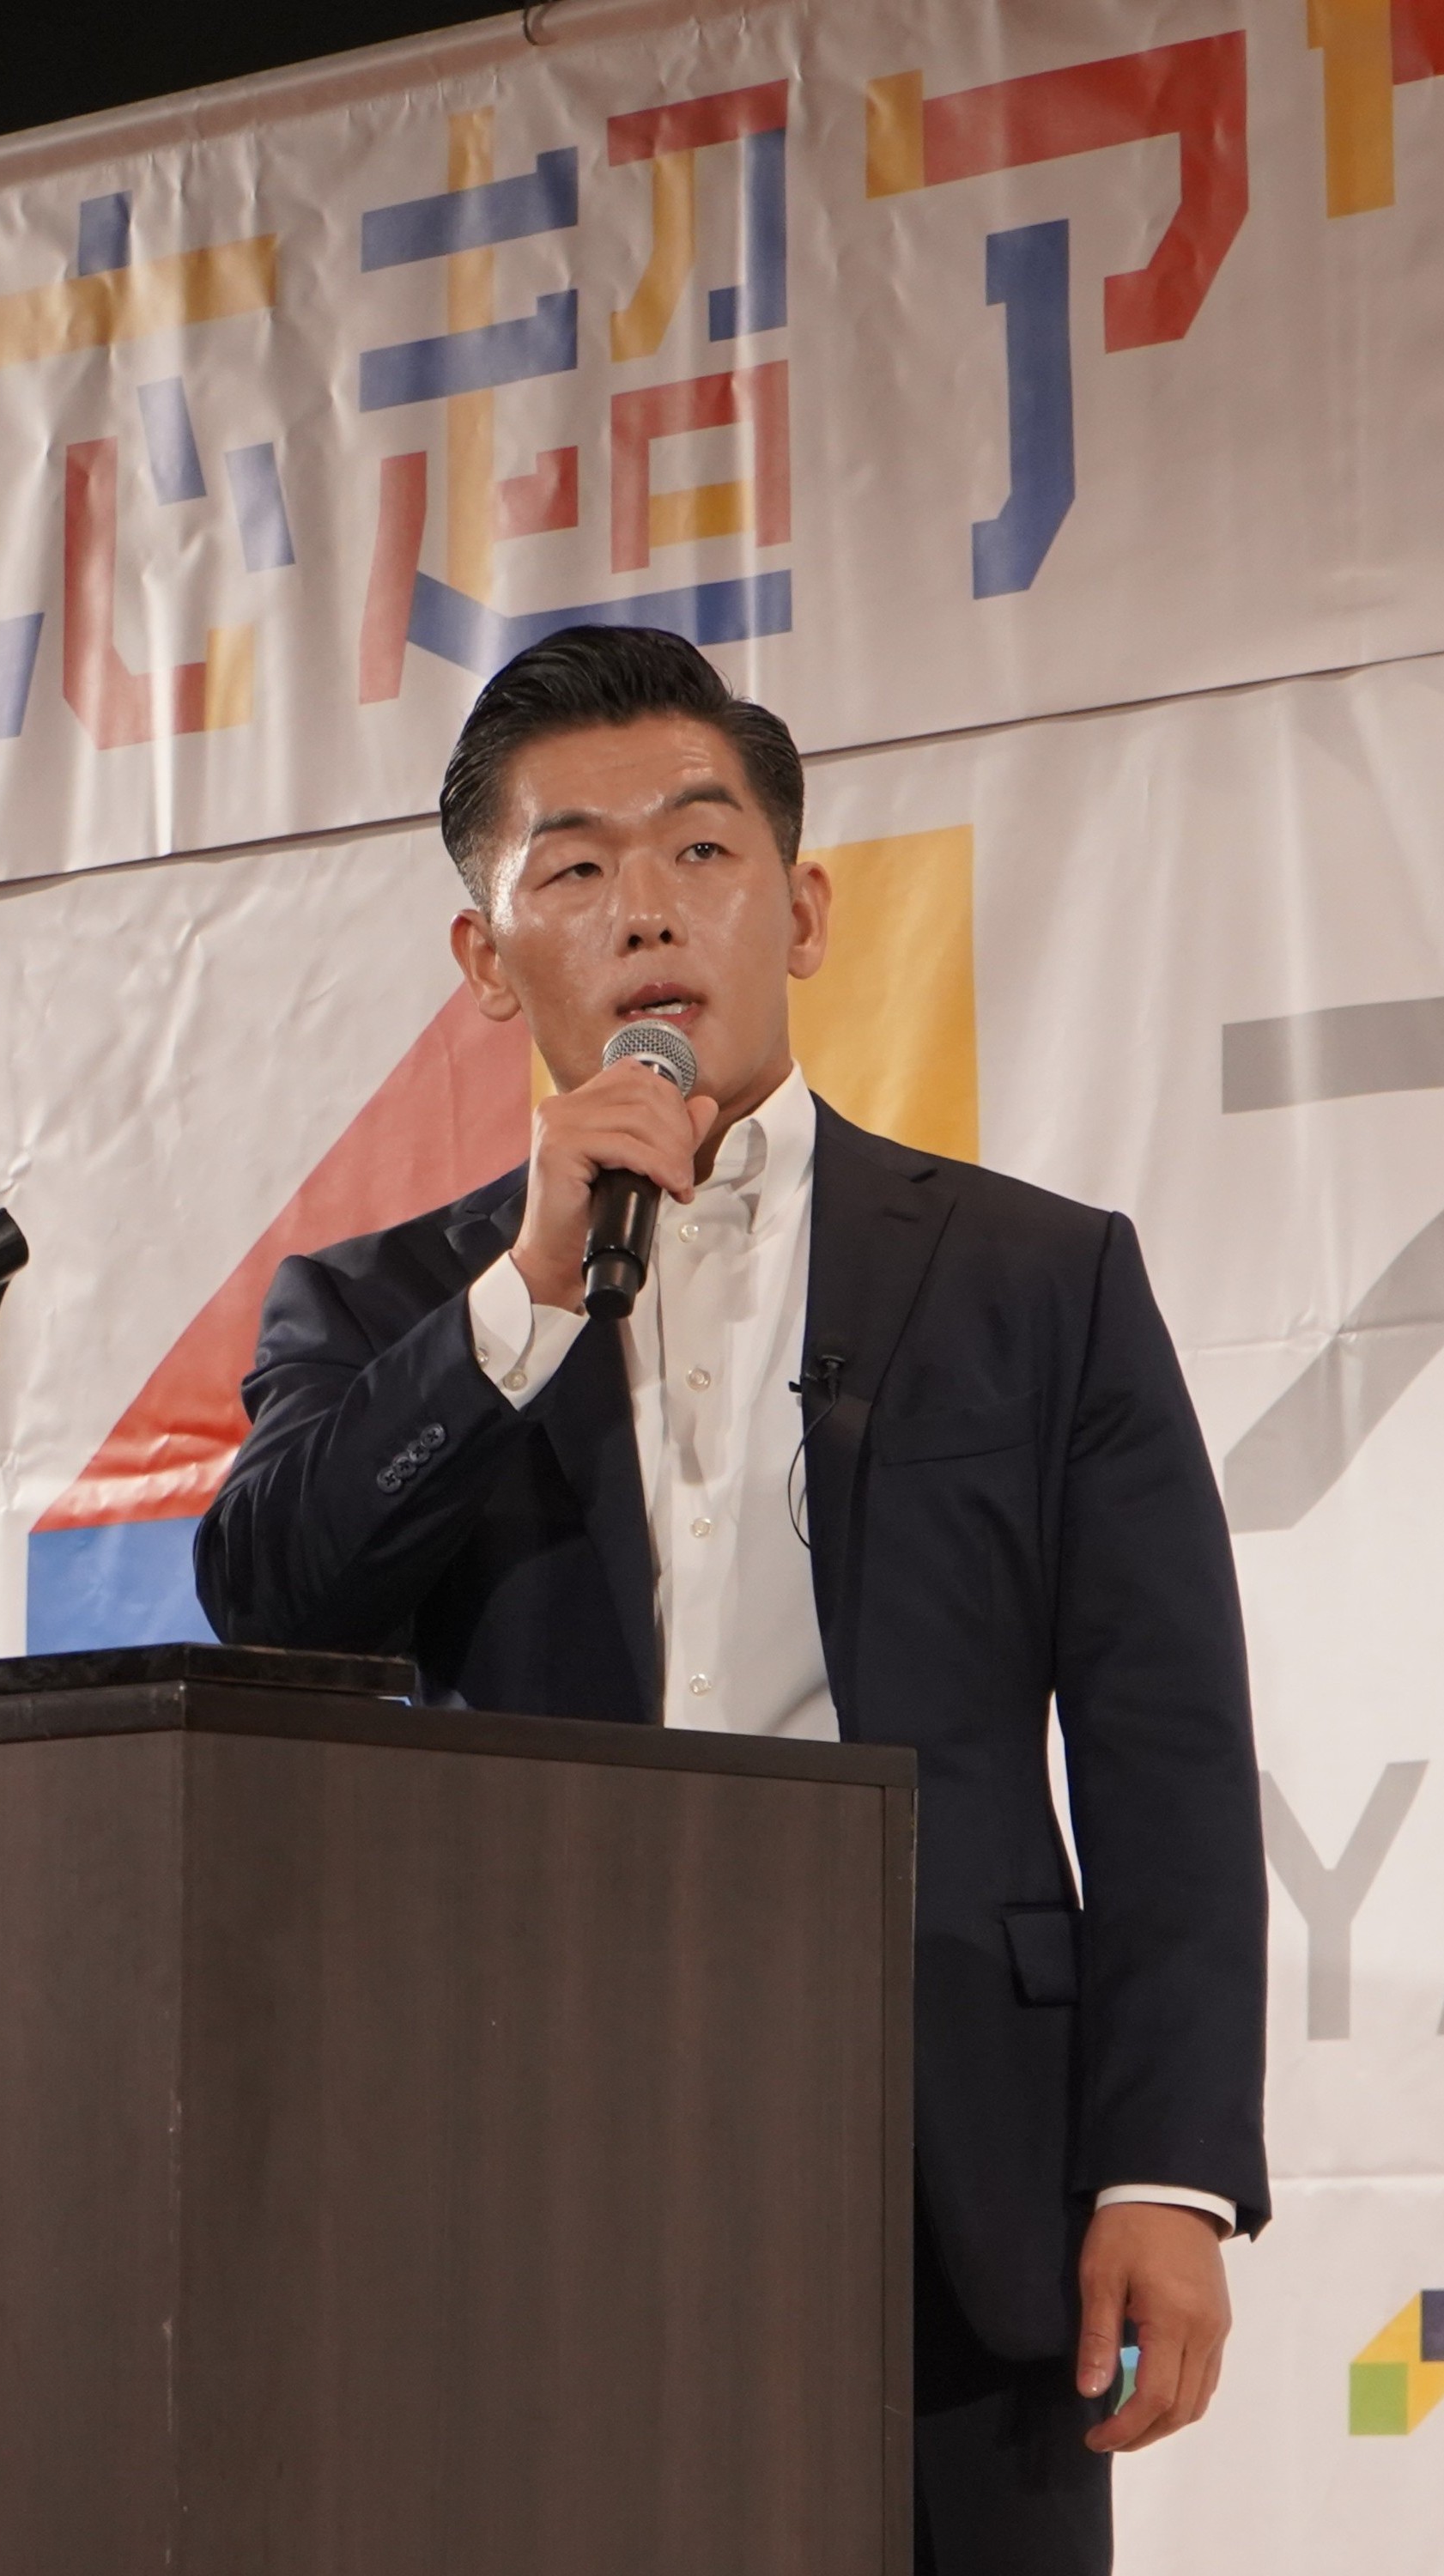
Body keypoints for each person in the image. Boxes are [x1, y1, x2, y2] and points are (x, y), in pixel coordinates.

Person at [197, 625, 1268, 2573]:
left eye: (701, 849)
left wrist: (1164, 2172)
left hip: (951, 2162)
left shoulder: (1040, 1283)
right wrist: (521, 1300)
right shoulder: (379, 1308)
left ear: (804, 910)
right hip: (524, 2166)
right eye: (575, 868)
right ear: (485, 958)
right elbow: (272, 1600)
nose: (647, 908)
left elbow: (1167, 1753)